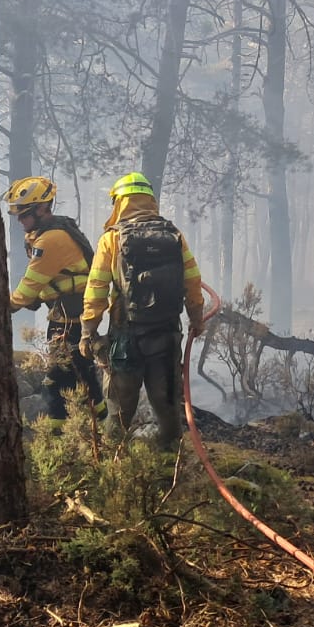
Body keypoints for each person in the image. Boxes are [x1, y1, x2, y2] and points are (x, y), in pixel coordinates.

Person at [80, 172, 207, 450]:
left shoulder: (111, 240)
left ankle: (113, 463)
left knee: (119, 407)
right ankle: (172, 460)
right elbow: (193, 281)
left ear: (119, 203)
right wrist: (196, 318)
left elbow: (97, 288)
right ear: (150, 200)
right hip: (167, 333)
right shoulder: (174, 235)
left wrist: (88, 330)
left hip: (126, 338)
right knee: (168, 404)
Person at [5, 176, 108, 429]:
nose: (20, 220)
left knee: (56, 379)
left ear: (41, 209)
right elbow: (55, 279)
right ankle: (101, 424)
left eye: (24, 214)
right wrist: (40, 297)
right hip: (72, 315)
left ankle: (57, 436)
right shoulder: (53, 232)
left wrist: (5, 306)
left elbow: (30, 285)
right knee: (83, 372)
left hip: (67, 320)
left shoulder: (50, 240)